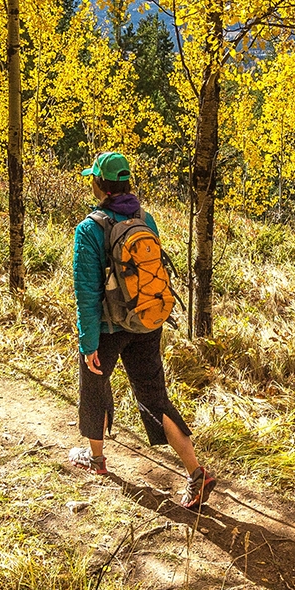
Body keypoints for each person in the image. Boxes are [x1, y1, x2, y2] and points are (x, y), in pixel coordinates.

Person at [69, 151, 216, 510]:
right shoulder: (144, 218)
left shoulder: (90, 229)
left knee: (95, 384)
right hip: (148, 320)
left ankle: (97, 459)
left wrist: (88, 342)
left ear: (100, 185)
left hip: (108, 325)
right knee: (153, 394)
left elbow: (86, 292)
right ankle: (196, 472)